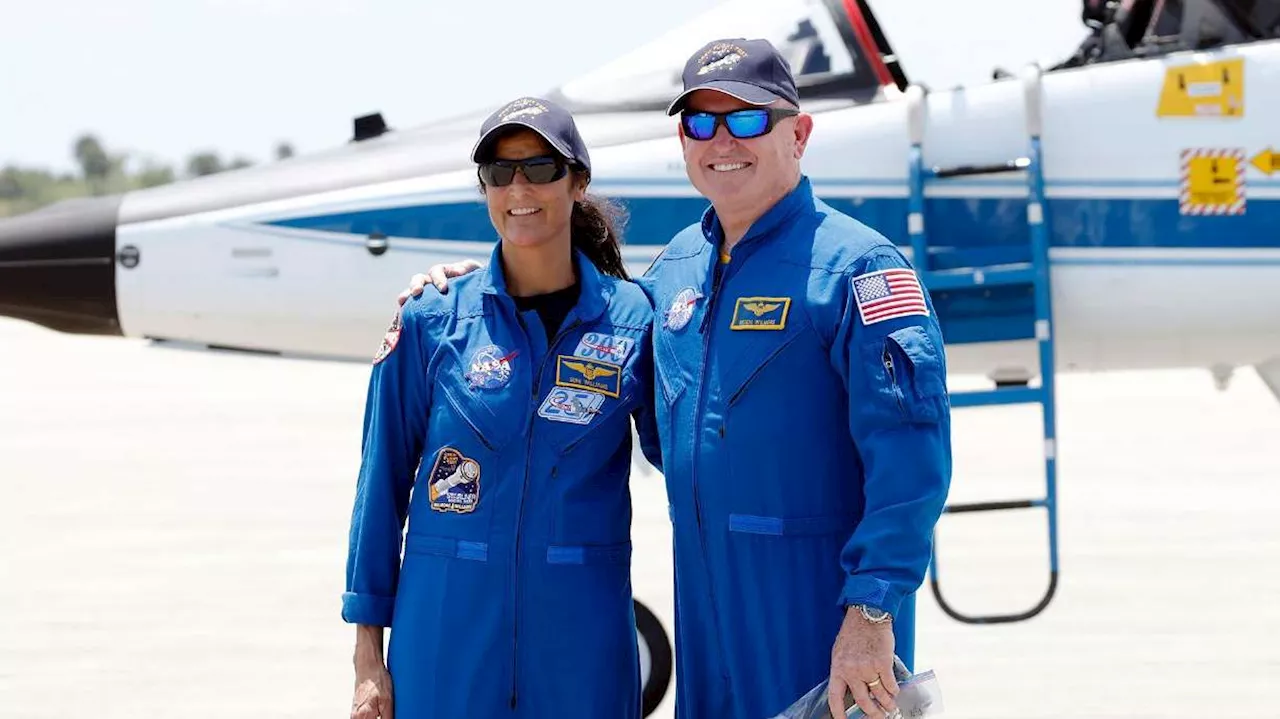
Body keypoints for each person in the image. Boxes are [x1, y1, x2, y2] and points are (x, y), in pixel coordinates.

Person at [401, 38, 952, 719]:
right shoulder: (675, 272)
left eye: (747, 119)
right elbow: (603, 346)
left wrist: (871, 612)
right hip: (706, 605)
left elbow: (912, 465)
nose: (722, 140)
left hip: (821, 606)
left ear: (799, 134)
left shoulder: (859, 270)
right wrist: (467, 287)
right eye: (701, 122)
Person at [342, 95, 661, 719]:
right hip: (445, 637)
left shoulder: (634, 321)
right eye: (498, 170)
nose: (519, 186)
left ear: (577, 182)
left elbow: (695, 461)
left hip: (581, 640)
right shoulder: (431, 319)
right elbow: (377, 490)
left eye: (540, 167)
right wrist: (367, 660)